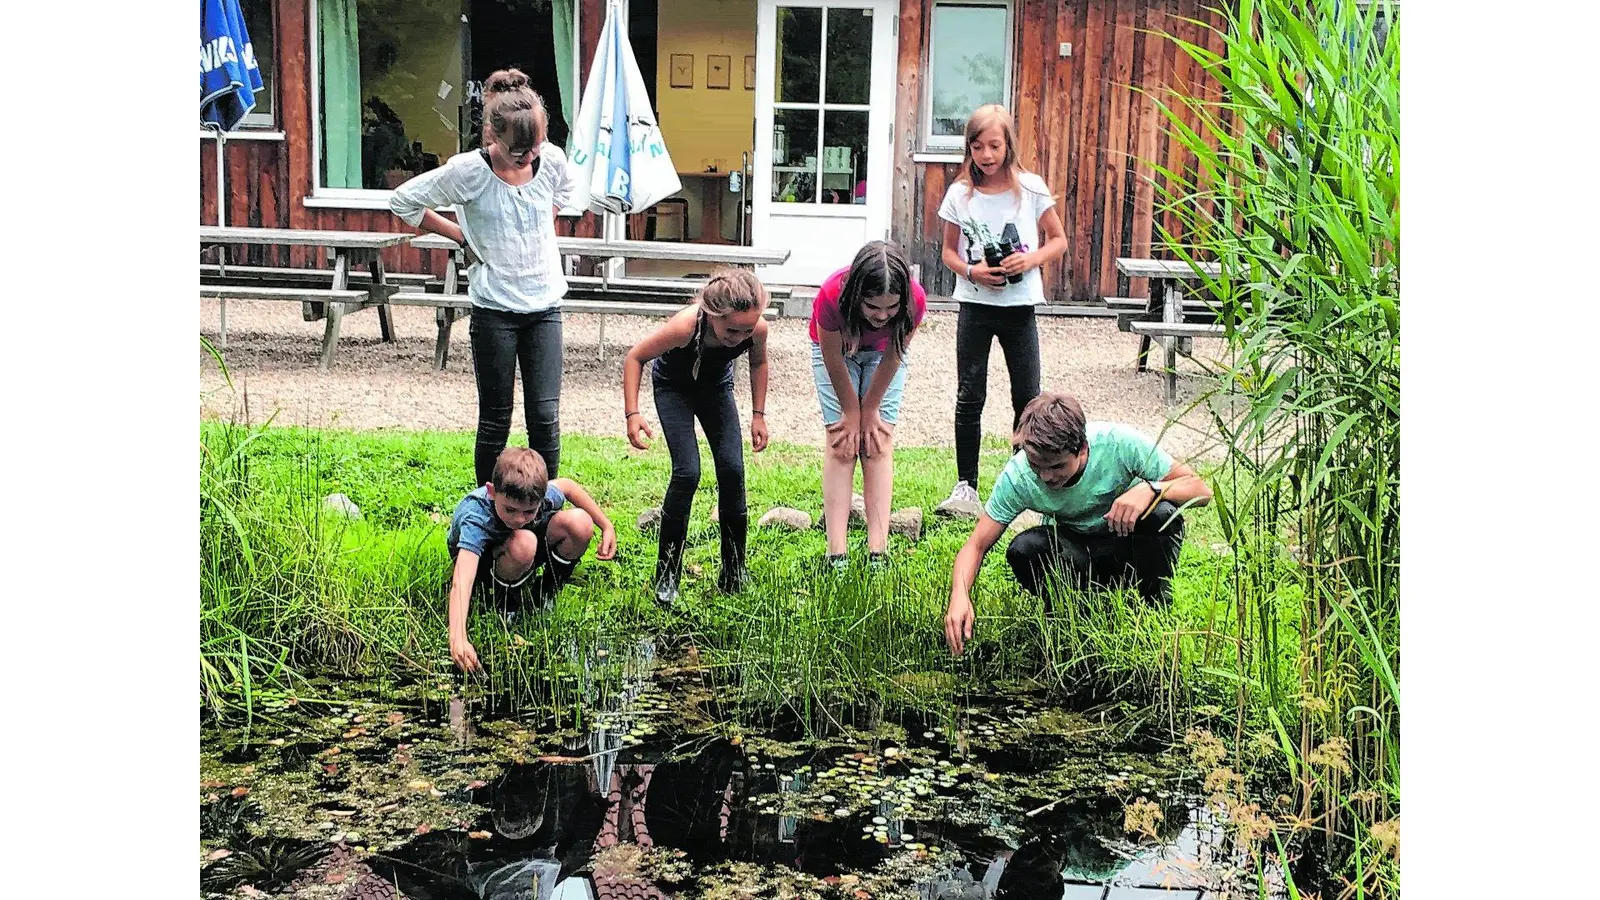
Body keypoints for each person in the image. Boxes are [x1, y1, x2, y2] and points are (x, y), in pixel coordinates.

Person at [390, 68, 579, 488]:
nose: (529, 158)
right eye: (518, 152)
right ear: (493, 136)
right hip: (495, 311)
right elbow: (403, 201)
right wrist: (462, 236)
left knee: (545, 418)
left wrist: (542, 223)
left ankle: (542, 507)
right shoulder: (468, 172)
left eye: (536, 149)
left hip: (545, 308)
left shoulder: (551, 161)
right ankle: (488, 507)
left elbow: (563, 193)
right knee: (496, 418)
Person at [942, 393, 1212, 656]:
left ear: (1082, 449)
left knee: (1162, 513)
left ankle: (1153, 611)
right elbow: (976, 546)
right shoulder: (1019, 476)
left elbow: (1201, 490)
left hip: (1128, 543)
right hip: (1077, 552)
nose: (1046, 477)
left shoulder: (1118, 444)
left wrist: (1153, 489)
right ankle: (1071, 615)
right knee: (1025, 548)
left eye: (1057, 466)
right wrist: (960, 595)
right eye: (1037, 465)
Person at [935, 104, 1069, 515]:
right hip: (975, 306)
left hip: (1019, 306)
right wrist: (973, 271)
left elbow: (1057, 240)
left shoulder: (1031, 189)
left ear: (1008, 144)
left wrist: (1029, 261)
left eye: (994, 146)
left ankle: (1025, 477)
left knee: (1027, 395)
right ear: (969, 150)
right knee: (969, 393)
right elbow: (947, 252)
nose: (987, 155)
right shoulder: (960, 194)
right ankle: (966, 485)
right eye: (978, 147)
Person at [621, 268, 772, 605]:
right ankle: (667, 574)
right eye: (731, 329)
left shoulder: (755, 328)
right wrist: (633, 414)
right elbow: (636, 357)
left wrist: (758, 415)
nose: (739, 336)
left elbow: (759, 363)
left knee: (733, 470)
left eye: (746, 329)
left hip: (716, 389)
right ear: (713, 314)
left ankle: (734, 570)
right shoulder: (685, 326)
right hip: (673, 389)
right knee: (688, 472)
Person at [808, 241, 928, 572]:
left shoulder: (915, 300)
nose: (882, 316)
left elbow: (894, 356)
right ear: (857, 292)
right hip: (835, 353)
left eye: (891, 308)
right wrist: (850, 414)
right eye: (873, 307)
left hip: (884, 355)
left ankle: (878, 552)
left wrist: (870, 410)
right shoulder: (833, 293)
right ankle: (837, 555)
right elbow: (832, 356)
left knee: (877, 441)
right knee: (841, 443)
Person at [445, 447, 617, 674]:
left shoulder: (540, 498)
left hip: (524, 546)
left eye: (528, 512)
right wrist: (457, 637)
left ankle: (545, 595)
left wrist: (605, 525)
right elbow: (462, 579)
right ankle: (504, 606)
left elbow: (568, 486)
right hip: (486, 561)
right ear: (491, 491)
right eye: (510, 510)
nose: (518, 518)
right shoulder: (476, 516)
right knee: (523, 542)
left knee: (580, 523)